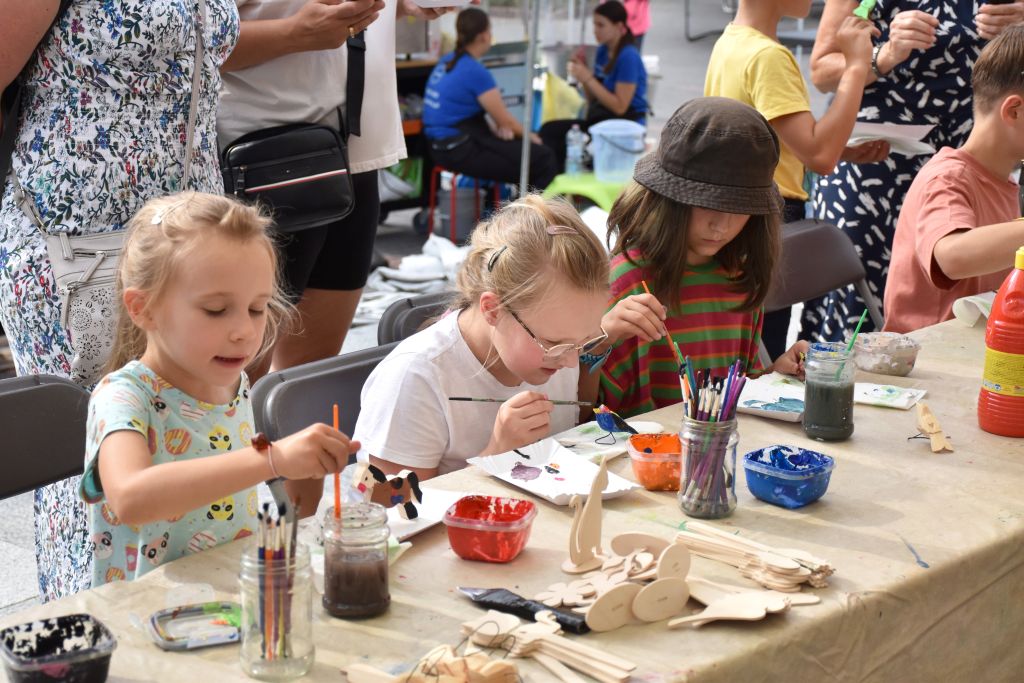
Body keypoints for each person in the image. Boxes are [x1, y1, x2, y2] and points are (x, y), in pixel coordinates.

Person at [0, 0, 240, 601]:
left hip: (187, 238)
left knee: (187, 423)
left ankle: (178, 620)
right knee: (87, 447)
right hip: (79, 240)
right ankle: (85, 634)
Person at [81, 193, 358, 585]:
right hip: (148, 623)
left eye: (257, 308)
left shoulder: (233, 384)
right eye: (215, 310)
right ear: (142, 308)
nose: (244, 330)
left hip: (226, 603)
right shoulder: (123, 396)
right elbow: (130, 497)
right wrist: (273, 460)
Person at [220, 0, 458, 378]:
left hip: (354, 153)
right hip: (267, 158)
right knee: (238, 371)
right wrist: (296, 33)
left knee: (310, 376)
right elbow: (183, 41)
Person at [805, 0, 1024, 342]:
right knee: (857, 309)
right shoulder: (947, 177)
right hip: (875, 163)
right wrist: (886, 53)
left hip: (985, 152)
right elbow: (821, 70)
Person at [354, 195, 609, 479]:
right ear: (493, 310)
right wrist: (496, 453)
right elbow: (394, 510)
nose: (573, 361)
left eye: (582, 342)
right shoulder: (415, 378)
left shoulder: (555, 344)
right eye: (553, 343)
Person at [583, 98, 807, 419]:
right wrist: (601, 339)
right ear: (667, 199)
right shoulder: (627, 282)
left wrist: (776, 374)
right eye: (706, 204)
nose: (722, 225)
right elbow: (585, 415)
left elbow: (734, 393)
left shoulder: (739, 277)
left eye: (740, 208)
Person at [705, 0, 888, 362]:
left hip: (743, 213)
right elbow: (821, 157)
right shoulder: (768, 57)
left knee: (752, 350)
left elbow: (766, 136)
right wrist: (855, 66)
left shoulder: (732, 42)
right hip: (768, 217)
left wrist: (840, 148)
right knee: (765, 357)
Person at [884, 26, 1024, 334]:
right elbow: (952, 256)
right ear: (1014, 110)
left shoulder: (1009, 184)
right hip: (925, 367)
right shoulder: (948, 177)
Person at [423, 7, 558, 190]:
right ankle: (528, 215)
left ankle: (512, 207)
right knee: (543, 159)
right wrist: (533, 138)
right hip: (459, 150)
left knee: (519, 150)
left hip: (436, 148)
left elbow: (495, 121)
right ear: (484, 36)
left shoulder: (447, 60)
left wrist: (499, 129)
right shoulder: (474, 71)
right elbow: (507, 122)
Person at [540, 0, 650, 171]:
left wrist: (588, 78)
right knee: (549, 130)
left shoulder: (628, 56)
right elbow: (594, 99)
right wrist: (583, 77)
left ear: (619, 26)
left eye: (601, 25)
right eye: (594, 24)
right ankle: (556, 183)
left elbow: (620, 106)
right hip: (602, 117)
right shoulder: (602, 51)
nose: (595, 30)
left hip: (624, 125)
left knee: (561, 141)